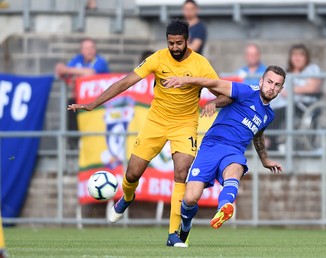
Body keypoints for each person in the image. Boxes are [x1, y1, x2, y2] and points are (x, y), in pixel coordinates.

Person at [68, 19, 230, 248]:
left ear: (187, 41)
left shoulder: (201, 64)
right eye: (171, 43)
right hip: (155, 121)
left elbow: (226, 92)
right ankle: (126, 197)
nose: (174, 47)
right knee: (133, 173)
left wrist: (214, 102)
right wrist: (93, 103)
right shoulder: (157, 58)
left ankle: (173, 234)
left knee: (181, 172)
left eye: (179, 43)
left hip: (185, 125)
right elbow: (125, 82)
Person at [164, 65, 285, 245]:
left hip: (234, 151)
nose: (272, 87)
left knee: (236, 168)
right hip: (212, 145)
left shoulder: (269, 115)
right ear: (261, 81)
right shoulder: (245, 91)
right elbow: (214, 83)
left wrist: (265, 159)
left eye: (277, 85)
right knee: (190, 198)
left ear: (281, 90)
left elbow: (258, 134)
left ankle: (224, 207)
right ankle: (186, 227)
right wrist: (186, 80)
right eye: (269, 82)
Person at [55, 38, 109, 148]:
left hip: (97, 102)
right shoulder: (78, 60)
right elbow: (62, 73)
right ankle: (73, 144)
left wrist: (69, 71)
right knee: (71, 111)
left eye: (91, 48)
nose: (89, 51)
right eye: (86, 48)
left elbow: (91, 73)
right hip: (79, 100)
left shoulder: (100, 61)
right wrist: (72, 72)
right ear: (81, 50)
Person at [268, 44, 321, 150]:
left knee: (278, 113)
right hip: (281, 103)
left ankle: (269, 141)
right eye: (294, 55)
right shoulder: (287, 72)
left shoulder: (312, 69)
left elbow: (313, 87)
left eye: (301, 55)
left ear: (306, 57)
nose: (297, 58)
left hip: (302, 104)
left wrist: (291, 91)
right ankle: (269, 143)